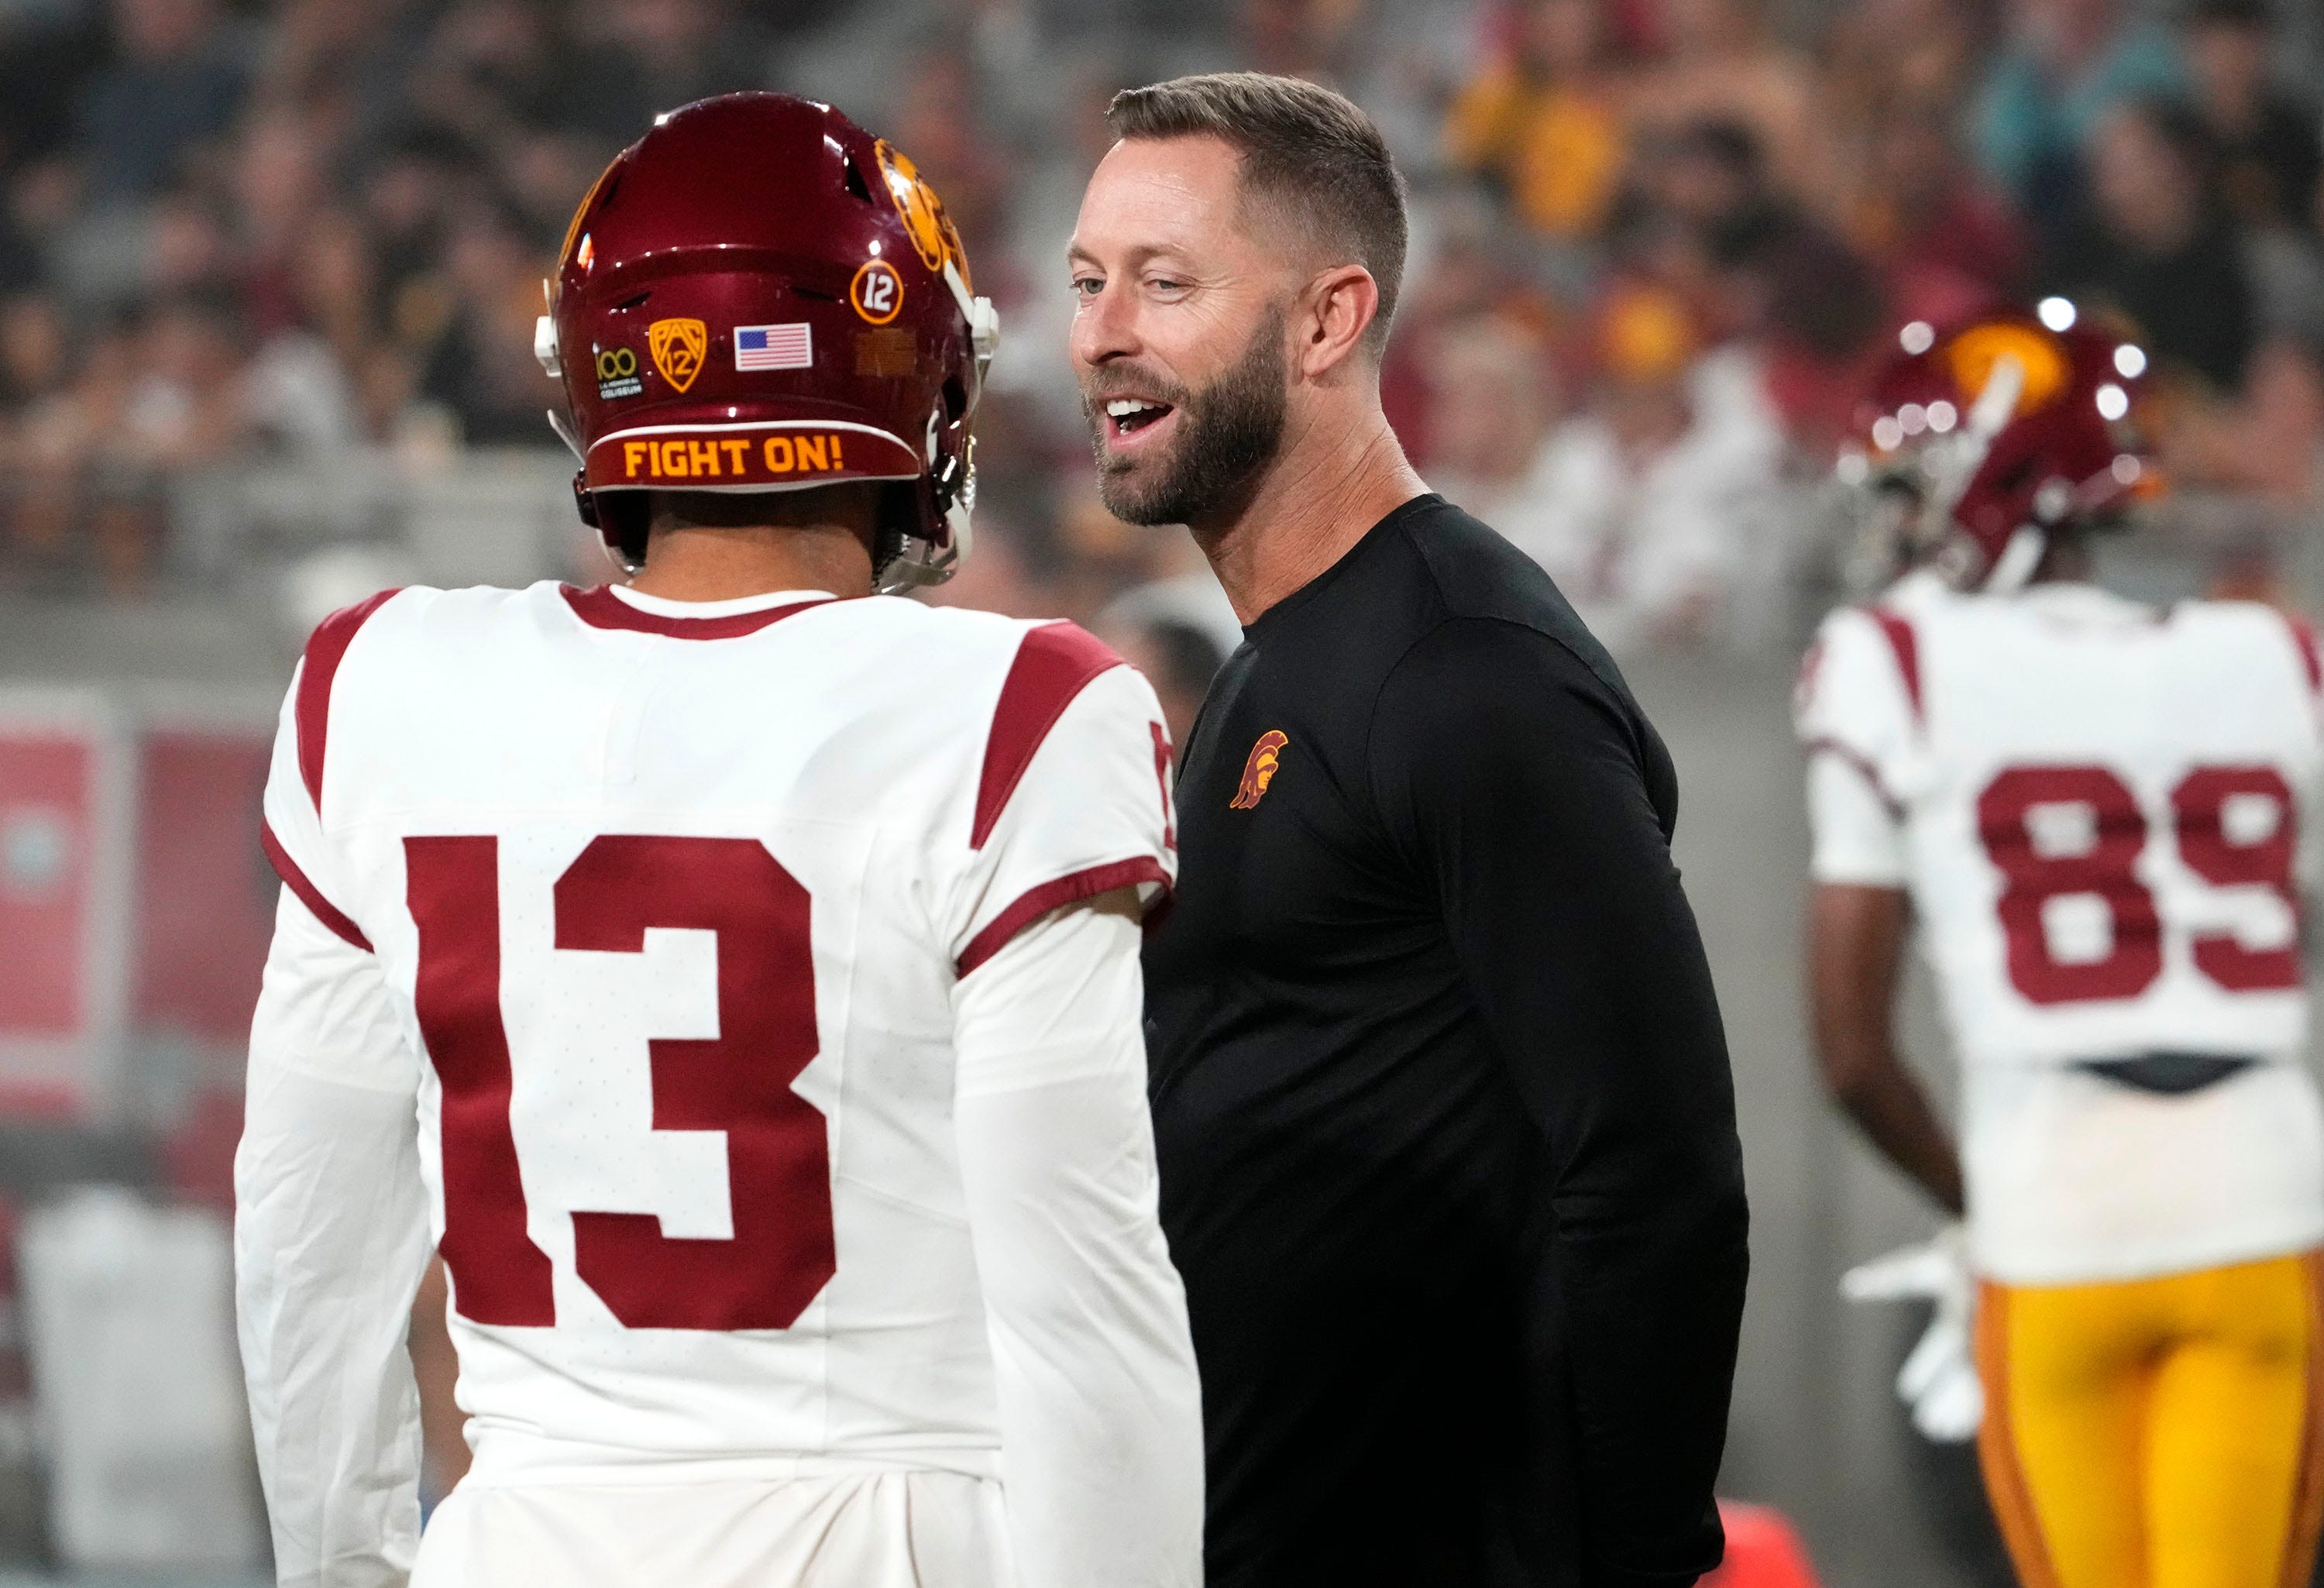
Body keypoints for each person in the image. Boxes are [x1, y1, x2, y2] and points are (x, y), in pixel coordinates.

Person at [233, 92, 1203, 1588]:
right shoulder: (1024, 709)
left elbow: (309, 1251)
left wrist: (347, 1569)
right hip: (889, 1543)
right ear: (909, 374)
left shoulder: (380, 684)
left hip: (519, 1543)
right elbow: (1082, 1310)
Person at [1068, 71, 1751, 1586]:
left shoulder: (1463, 666)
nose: (1100, 332)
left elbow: (1655, 1171)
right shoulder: (1279, 658)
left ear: (1325, 322)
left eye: (1165, 282)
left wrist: (1630, 1558)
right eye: (1089, 279)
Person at [1799, 304, 2324, 1588]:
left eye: (1918, 487)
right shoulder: (2271, 648)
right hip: (2263, 1203)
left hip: (2056, 1205)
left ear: (1999, 485)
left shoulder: (1895, 660)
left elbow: (1856, 1057)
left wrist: (1982, 1205)